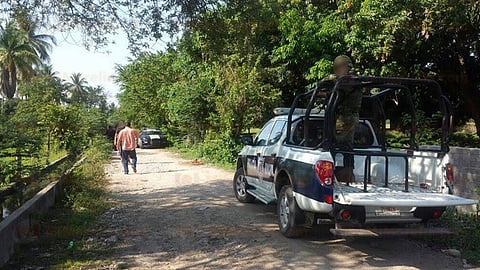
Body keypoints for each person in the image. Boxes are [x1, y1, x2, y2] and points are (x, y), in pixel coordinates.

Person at [320, 55, 362, 184]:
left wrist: (325, 92)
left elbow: (335, 87)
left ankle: (333, 177)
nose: (336, 71)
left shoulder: (347, 80)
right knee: (347, 147)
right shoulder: (356, 79)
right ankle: (348, 175)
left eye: (337, 68)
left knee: (331, 144)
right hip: (350, 118)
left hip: (344, 119)